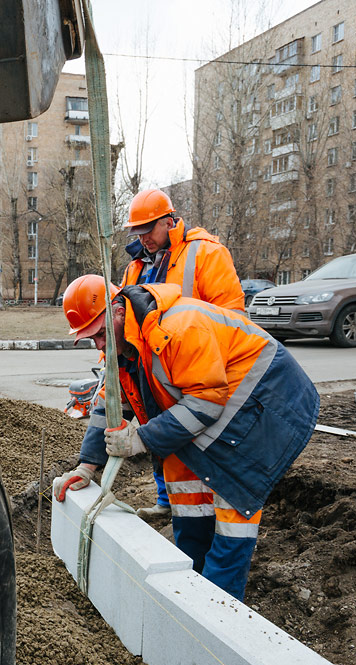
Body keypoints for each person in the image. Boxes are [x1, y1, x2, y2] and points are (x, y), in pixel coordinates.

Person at [55, 275, 319, 601]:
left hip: (267, 401)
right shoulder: (122, 344)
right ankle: (193, 584)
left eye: (96, 335)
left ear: (117, 312)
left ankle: (219, 606)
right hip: (217, 400)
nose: (96, 345)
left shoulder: (179, 328)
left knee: (233, 496)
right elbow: (110, 407)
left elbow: (206, 402)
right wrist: (87, 467)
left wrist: (141, 439)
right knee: (187, 493)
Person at [117, 189, 246, 516]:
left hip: (197, 368)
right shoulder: (135, 266)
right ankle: (168, 502)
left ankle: (210, 512)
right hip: (155, 368)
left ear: (169, 221)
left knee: (199, 443)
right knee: (161, 435)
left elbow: (233, 319)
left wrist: (217, 372)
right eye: (138, 232)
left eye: (148, 230)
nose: (143, 238)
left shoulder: (206, 253)